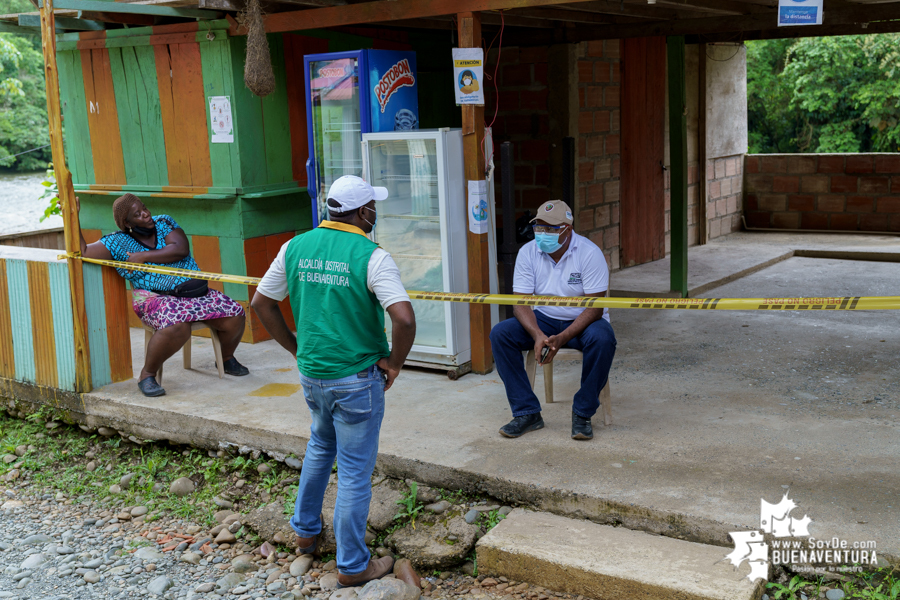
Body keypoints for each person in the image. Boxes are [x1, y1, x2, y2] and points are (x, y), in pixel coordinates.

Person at [250, 175, 416, 587]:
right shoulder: (372, 256)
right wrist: (394, 364)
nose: (375, 212)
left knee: (320, 447)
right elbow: (404, 318)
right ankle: (353, 565)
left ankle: (305, 532)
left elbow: (261, 302)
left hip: (313, 376)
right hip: (357, 380)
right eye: (372, 207)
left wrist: (295, 348)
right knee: (356, 472)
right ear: (363, 213)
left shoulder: (295, 246)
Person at [77, 193, 249, 397]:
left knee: (235, 314)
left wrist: (143, 256)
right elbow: (83, 252)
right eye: (138, 214)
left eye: (145, 208)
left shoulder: (164, 221)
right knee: (177, 325)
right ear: (127, 222)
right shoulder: (117, 242)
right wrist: (73, 216)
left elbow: (181, 249)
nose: (146, 214)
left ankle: (226, 357)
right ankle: (147, 374)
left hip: (194, 293)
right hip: (154, 298)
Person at [489, 199, 616, 441]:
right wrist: (538, 334)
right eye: (539, 227)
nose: (542, 234)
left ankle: (582, 413)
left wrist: (563, 337)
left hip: (583, 322)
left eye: (550, 228)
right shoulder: (528, 252)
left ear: (567, 230)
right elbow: (521, 303)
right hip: (544, 318)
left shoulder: (589, 253)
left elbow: (595, 309)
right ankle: (527, 413)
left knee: (603, 339)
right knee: (500, 334)